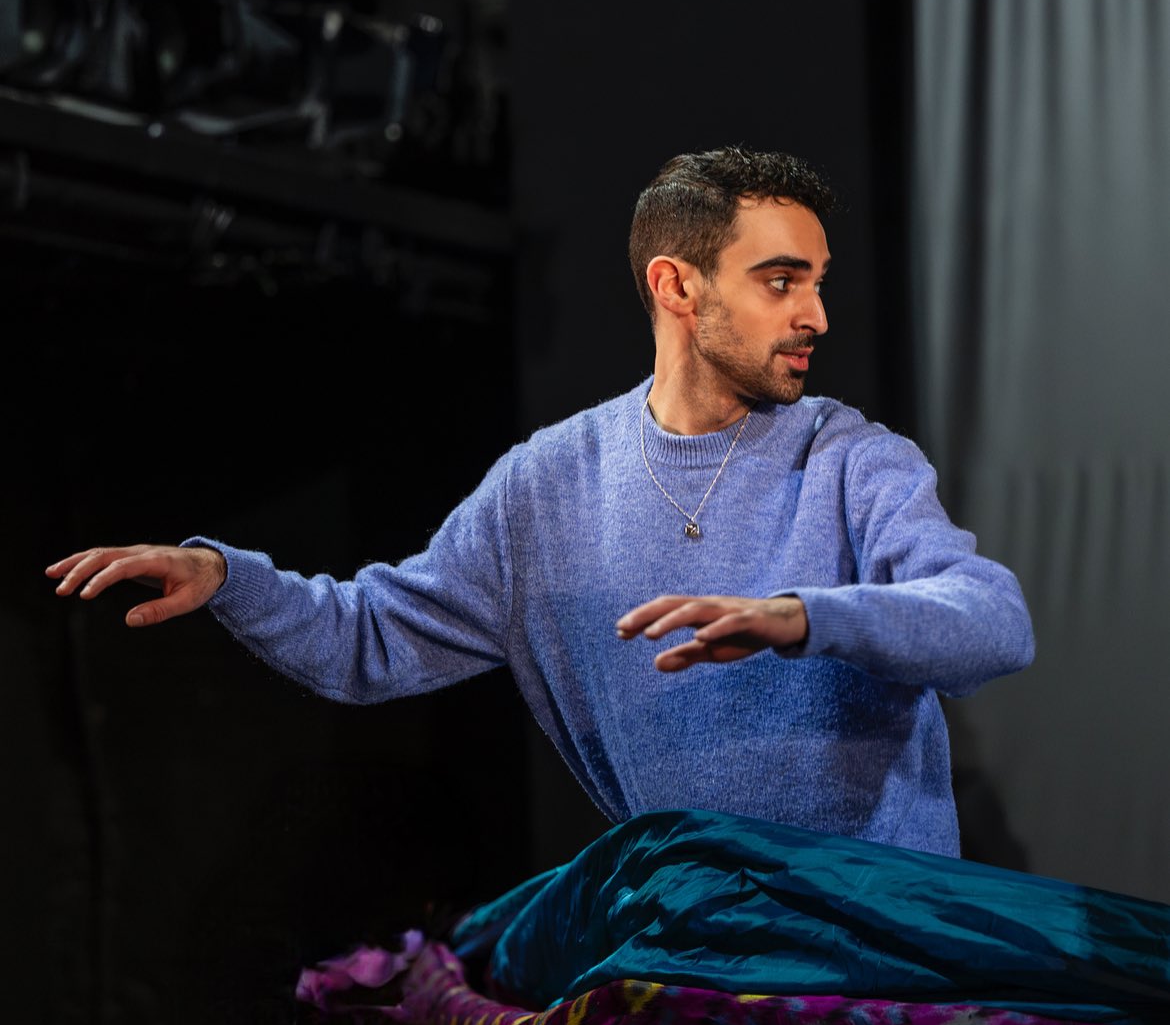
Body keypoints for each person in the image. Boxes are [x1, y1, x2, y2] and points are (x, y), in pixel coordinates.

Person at [46, 145, 1035, 861]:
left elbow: (993, 623)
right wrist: (228, 577)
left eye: (817, 282)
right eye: (781, 281)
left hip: (874, 953)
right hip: (687, 954)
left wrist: (801, 617)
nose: (815, 314)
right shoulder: (545, 487)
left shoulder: (851, 457)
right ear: (676, 286)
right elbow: (369, 641)